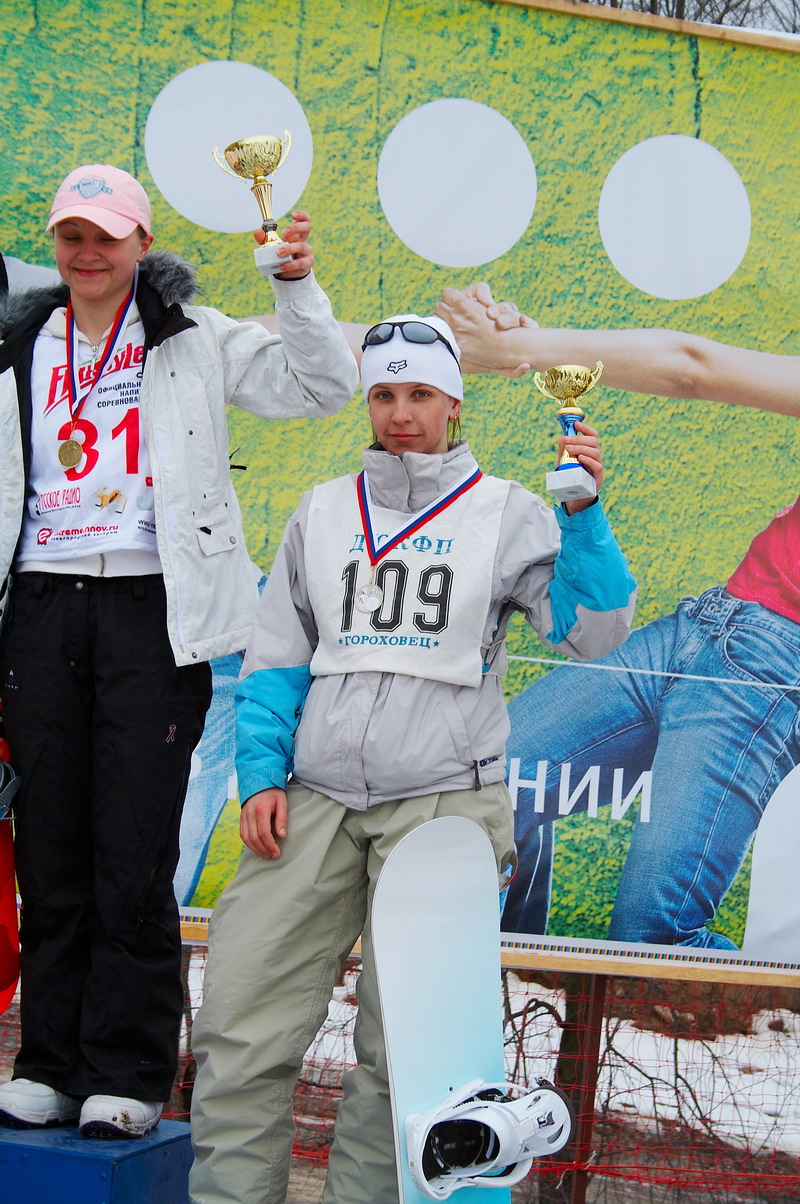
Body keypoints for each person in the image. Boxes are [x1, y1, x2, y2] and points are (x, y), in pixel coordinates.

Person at [188, 312, 636, 1204]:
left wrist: (583, 516)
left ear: (454, 404)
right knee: (240, 1025)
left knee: (407, 1057)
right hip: (313, 799)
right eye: (385, 394)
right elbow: (276, 658)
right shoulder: (322, 510)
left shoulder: (506, 512)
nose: (400, 413)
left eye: (421, 394)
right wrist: (262, 775)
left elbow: (592, 633)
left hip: (442, 806)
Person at [0, 163, 358, 1138]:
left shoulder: (192, 336)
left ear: (141, 243)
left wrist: (295, 286)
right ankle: (47, 1063)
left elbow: (322, 384)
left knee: (132, 851)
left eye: (106, 236)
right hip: (41, 605)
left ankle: (125, 1071)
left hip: (156, 615)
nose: (88, 253)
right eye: (72, 235)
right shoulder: (19, 342)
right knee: (50, 853)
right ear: (56, 242)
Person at [436, 284, 800, 948]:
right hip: (705, 625)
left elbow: (691, 367)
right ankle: (497, 982)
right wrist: (522, 349)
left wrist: (518, 346)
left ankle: (762, 1013)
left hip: (770, 675)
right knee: (476, 800)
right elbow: (687, 364)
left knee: (654, 933)